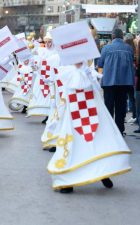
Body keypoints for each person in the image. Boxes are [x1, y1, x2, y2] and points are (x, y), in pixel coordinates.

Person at [48, 62, 131, 193]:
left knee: (99, 144)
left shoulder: (88, 70)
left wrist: (90, 77)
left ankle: (103, 173)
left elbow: (97, 90)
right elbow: (65, 94)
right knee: (72, 148)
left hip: (94, 116)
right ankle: (68, 181)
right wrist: (56, 118)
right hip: (72, 118)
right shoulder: (65, 70)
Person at [98, 28, 135, 135]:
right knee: (121, 107)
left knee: (109, 107)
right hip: (124, 82)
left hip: (109, 82)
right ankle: (119, 130)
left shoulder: (106, 48)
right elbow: (131, 61)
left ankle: (109, 131)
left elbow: (100, 64)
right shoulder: (128, 49)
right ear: (122, 37)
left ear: (112, 36)